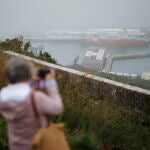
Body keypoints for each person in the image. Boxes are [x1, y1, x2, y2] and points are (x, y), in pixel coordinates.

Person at [0, 58, 64, 150]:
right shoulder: (36, 98)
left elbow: (20, 90)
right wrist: (51, 84)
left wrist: (31, 83)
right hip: (36, 145)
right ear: (28, 74)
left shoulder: (3, 97)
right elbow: (58, 108)